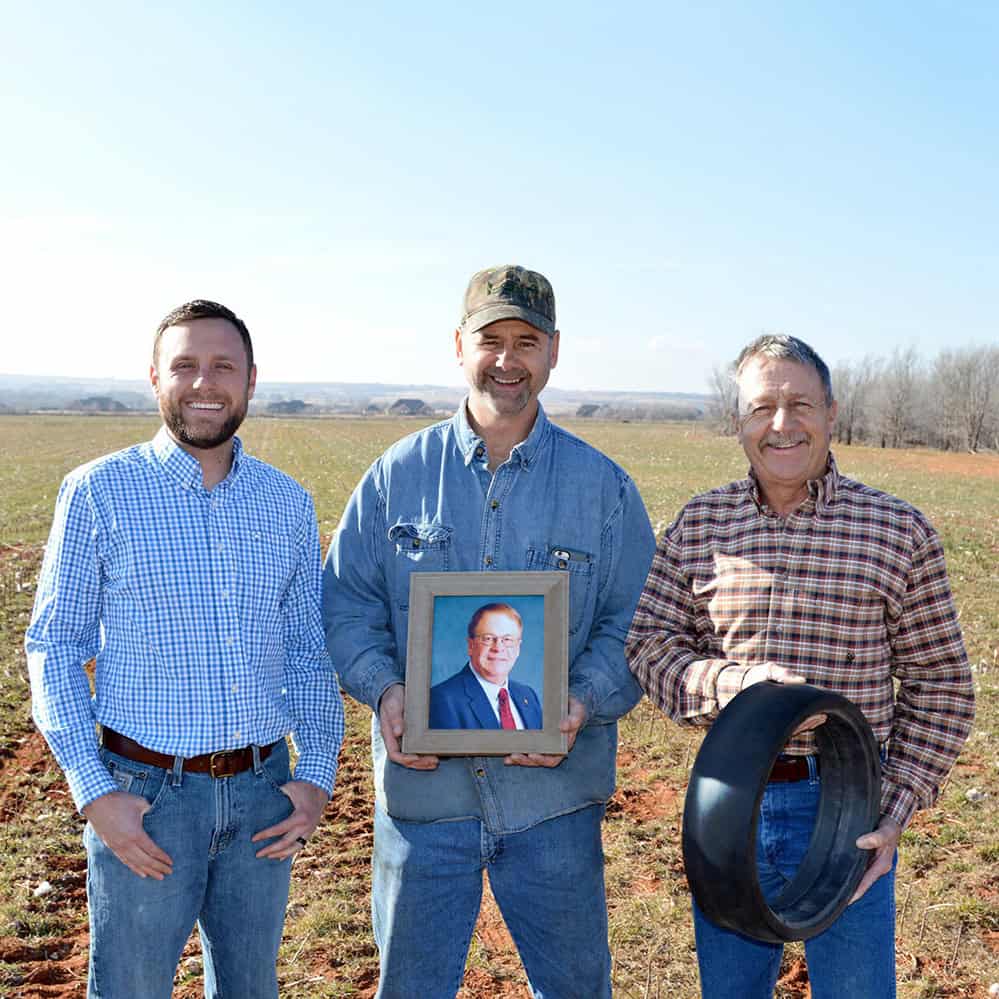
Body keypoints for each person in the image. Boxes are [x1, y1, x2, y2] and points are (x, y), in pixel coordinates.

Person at [323, 264, 655, 998]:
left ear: (553, 351)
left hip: (552, 804)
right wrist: (385, 690)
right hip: (424, 805)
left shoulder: (603, 487)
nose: (508, 360)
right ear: (458, 345)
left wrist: (579, 700)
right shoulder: (395, 477)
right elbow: (347, 605)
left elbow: (636, 622)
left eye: (526, 342)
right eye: (490, 340)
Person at [625, 334, 975, 999]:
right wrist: (733, 686)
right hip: (730, 796)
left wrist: (893, 806)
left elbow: (942, 685)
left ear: (831, 413)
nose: (780, 424)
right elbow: (649, 645)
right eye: (762, 407)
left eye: (800, 404)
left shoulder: (896, 529)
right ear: (739, 421)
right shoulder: (699, 524)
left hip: (848, 806)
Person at [25, 299, 344, 999]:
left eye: (223, 366)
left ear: (250, 380)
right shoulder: (98, 492)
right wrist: (94, 793)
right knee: (132, 988)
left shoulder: (286, 502)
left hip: (262, 795)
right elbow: (54, 645)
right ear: (155, 378)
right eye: (185, 365)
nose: (205, 382)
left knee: (250, 988)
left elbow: (307, 648)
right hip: (145, 797)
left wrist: (317, 773)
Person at [429, 602, 543, 730]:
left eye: (507, 639)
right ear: (471, 646)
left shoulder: (528, 696)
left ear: (518, 648)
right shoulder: (442, 700)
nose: (498, 648)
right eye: (488, 638)